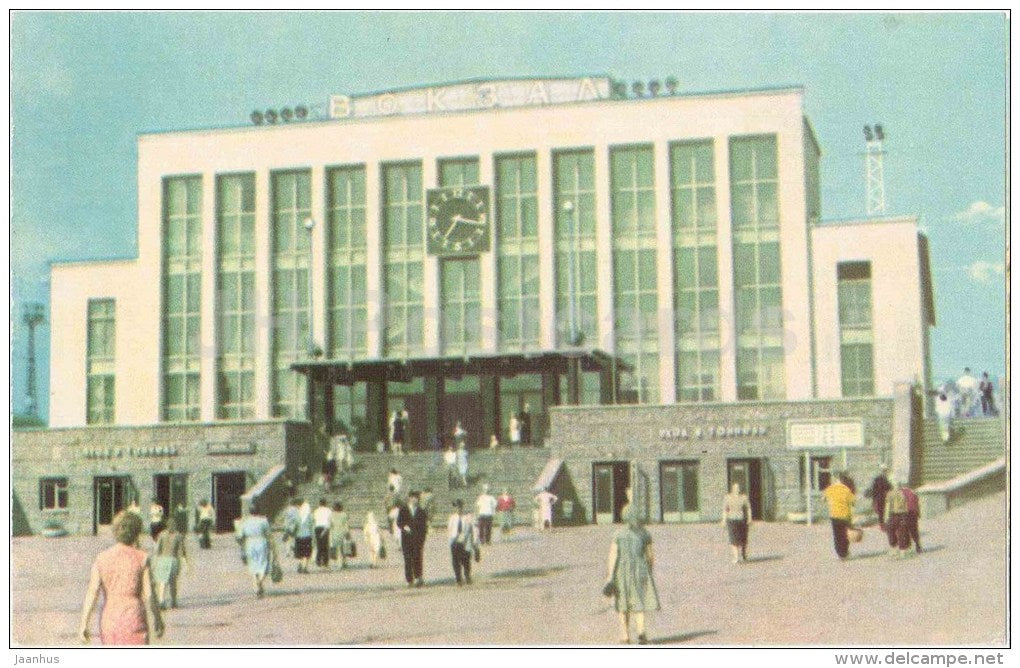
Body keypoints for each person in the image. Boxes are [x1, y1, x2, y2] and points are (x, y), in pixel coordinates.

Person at [79, 510, 165, 645]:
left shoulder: (102, 558)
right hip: (134, 617)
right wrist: (158, 619)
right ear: (136, 533)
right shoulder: (142, 558)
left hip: (110, 618)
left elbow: (92, 592)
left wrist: (84, 623)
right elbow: (149, 594)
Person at [604, 505, 660, 645]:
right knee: (639, 601)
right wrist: (649, 571)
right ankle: (641, 632)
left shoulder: (618, 534)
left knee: (622, 602)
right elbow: (650, 556)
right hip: (640, 569)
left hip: (621, 570)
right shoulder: (645, 534)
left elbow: (613, 555)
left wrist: (610, 575)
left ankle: (625, 635)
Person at [236, 499, 279, 598]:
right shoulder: (263, 521)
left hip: (250, 543)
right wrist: (273, 546)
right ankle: (260, 581)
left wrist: (242, 545)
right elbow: (268, 534)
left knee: (252, 564)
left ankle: (256, 585)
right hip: (261, 542)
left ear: (250, 512)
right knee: (263, 563)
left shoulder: (245, 522)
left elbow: (239, 536)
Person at [152, 518, 190, 609]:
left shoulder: (162, 535)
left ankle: (161, 601)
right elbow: (181, 551)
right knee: (173, 583)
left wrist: (154, 563)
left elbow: (157, 550)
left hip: (163, 560)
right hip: (173, 560)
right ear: (175, 525)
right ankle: (173, 601)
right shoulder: (178, 536)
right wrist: (185, 563)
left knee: (163, 582)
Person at [396, 491, 428, 587]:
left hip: (417, 539)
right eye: (413, 498)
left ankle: (418, 577)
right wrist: (404, 527)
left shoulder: (421, 511)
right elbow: (399, 522)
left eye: (417, 498)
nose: (415, 500)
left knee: (417, 558)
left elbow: (424, 526)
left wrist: (422, 539)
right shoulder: (403, 509)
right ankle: (409, 579)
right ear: (410, 498)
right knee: (407, 559)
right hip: (406, 539)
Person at [823, 473, 856, 560]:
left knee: (837, 535)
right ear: (842, 481)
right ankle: (844, 552)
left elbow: (823, 499)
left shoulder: (830, 489)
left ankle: (839, 553)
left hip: (834, 515)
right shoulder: (846, 489)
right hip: (845, 515)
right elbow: (853, 502)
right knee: (844, 534)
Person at [720, 482, 752, 563]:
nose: (737, 489)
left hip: (742, 520)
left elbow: (748, 508)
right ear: (732, 489)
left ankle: (743, 554)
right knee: (733, 539)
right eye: (735, 488)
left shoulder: (744, 497)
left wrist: (749, 518)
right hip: (731, 520)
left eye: (738, 488)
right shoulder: (727, 497)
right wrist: (723, 520)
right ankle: (736, 557)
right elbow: (725, 509)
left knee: (743, 539)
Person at [447, 500, 476, 586]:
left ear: (462, 507)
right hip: (455, 541)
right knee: (455, 561)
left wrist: (474, 543)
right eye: (456, 507)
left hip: (465, 541)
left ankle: (467, 576)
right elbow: (450, 529)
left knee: (466, 560)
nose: (458, 509)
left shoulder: (467, 517)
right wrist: (451, 541)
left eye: (459, 507)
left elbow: (473, 530)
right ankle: (458, 579)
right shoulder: (452, 518)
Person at [883, 479, 910, 558]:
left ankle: (894, 549)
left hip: (893, 514)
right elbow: (906, 504)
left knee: (891, 532)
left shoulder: (890, 494)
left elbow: (888, 506)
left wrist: (886, 517)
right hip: (903, 514)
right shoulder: (903, 493)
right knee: (902, 533)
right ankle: (902, 551)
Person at [866, 464, 893, 530]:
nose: (886, 472)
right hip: (883, 497)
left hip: (879, 497)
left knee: (881, 512)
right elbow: (890, 488)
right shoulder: (885, 479)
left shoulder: (878, 479)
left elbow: (874, 489)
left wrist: (874, 498)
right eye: (885, 471)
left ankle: (882, 524)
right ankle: (884, 524)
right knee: (883, 511)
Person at [293, 498, 314, 573]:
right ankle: (304, 567)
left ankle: (301, 565)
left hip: (299, 536)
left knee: (300, 552)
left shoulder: (297, 515)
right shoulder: (309, 516)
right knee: (306, 553)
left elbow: (295, 526)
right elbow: (311, 526)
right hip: (307, 536)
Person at [901, 484, 922, 553]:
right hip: (913, 514)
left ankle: (908, 547)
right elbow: (917, 504)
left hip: (905, 513)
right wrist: (918, 513)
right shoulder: (913, 493)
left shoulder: (900, 493)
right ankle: (917, 545)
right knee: (914, 530)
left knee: (905, 530)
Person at [329, 502, 351, 567]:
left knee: (337, 548)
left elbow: (330, 525)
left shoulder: (331, 515)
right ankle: (344, 561)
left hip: (335, 533)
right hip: (343, 533)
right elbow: (346, 525)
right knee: (343, 548)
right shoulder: (344, 515)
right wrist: (348, 533)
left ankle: (338, 562)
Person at [313, 498, 332, 569]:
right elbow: (329, 520)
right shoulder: (328, 510)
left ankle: (318, 561)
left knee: (319, 545)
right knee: (325, 545)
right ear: (326, 503)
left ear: (319, 503)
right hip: (325, 528)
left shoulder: (316, 511)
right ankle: (325, 562)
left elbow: (314, 520)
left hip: (317, 528)